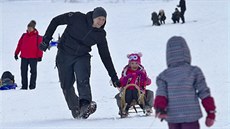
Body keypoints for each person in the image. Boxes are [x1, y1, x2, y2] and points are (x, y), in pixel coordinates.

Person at [39, 7, 120, 119]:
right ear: (93, 17)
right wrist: (46, 39)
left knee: (83, 79)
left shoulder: (100, 35)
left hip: (82, 56)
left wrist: (114, 77)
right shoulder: (77, 17)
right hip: (64, 54)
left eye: (103, 20)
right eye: (99, 18)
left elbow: (105, 56)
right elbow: (56, 20)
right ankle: (75, 109)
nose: (101, 22)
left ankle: (85, 105)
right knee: (66, 85)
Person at [154, 36, 216, 129]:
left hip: (173, 116)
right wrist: (210, 111)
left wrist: (160, 108)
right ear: (186, 52)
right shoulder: (194, 71)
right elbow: (204, 92)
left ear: (168, 55)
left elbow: (161, 93)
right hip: (191, 115)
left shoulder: (164, 75)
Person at [115, 52, 154, 118]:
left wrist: (147, 80)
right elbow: (122, 81)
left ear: (139, 63)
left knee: (150, 93)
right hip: (127, 93)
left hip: (140, 93)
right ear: (129, 64)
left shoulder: (141, 72)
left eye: (136, 63)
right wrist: (120, 82)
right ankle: (123, 109)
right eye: (132, 63)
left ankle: (147, 107)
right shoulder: (126, 72)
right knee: (118, 96)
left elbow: (146, 81)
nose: (134, 65)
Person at [14, 20, 43, 90]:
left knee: (33, 72)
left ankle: (32, 86)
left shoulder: (38, 37)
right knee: (23, 71)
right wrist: (16, 53)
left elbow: (40, 47)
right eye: (28, 27)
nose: (29, 29)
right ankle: (24, 86)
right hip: (24, 57)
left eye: (30, 28)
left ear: (33, 28)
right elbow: (19, 45)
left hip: (33, 57)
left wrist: (40, 56)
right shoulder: (24, 35)